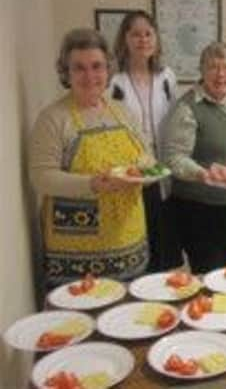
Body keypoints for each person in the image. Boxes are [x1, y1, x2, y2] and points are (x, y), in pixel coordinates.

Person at [29, 28, 151, 288]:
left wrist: (142, 170)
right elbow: (42, 177)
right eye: (79, 68)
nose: (90, 76)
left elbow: (147, 156)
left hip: (129, 244)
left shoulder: (122, 113)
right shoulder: (53, 118)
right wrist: (92, 184)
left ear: (108, 70)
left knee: (128, 322)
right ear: (66, 72)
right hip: (77, 256)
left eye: (97, 66)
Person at [162, 42, 226, 274]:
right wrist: (205, 174)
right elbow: (174, 158)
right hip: (197, 207)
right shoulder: (188, 107)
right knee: (208, 273)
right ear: (201, 70)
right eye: (213, 67)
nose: (221, 74)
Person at [111, 10, 178, 271]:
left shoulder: (167, 77)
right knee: (140, 241)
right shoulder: (115, 81)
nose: (143, 40)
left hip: (163, 170)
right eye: (135, 34)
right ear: (124, 39)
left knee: (165, 243)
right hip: (133, 172)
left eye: (148, 33)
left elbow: (174, 119)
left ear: (156, 39)